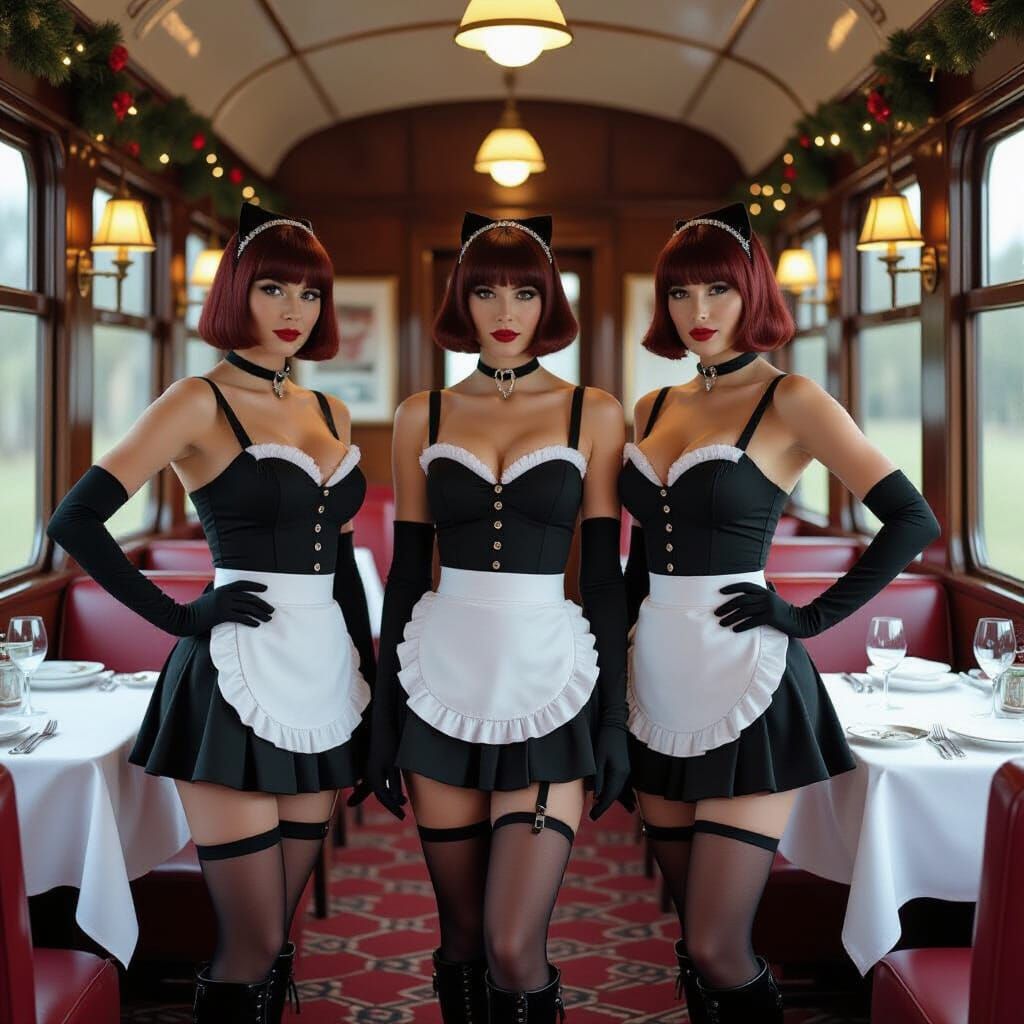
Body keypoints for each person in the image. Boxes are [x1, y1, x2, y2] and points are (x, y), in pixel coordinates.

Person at [47, 202, 375, 1023]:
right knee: (251, 941)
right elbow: (74, 520)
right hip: (231, 681)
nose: (294, 311)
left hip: (324, 676)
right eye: (273, 289)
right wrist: (182, 617)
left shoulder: (328, 412)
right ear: (237, 292)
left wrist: (370, 678)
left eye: (309, 293)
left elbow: (337, 561)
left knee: (280, 938)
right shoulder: (197, 400)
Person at [620, 203, 940, 1023]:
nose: (698, 313)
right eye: (682, 294)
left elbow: (913, 519)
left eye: (718, 292)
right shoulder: (651, 409)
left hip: (749, 681)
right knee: (691, 939)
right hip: (652, 679)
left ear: (752, 294)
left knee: (720, 945)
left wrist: (805, 617)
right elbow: (636, 557)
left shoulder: (792, 398)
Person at [368, 213, 630, 1023]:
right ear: (462, 301)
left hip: (551, 680)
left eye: (524, 290)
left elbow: (607, 576)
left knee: (517, 946)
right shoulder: (425, 413)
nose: (505, 308)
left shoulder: (596, 410)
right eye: (485, 290)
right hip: (438, 678)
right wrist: (385, 719)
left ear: (550, 300)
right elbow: (407, 574)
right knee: (461, 940)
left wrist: (611, 720)